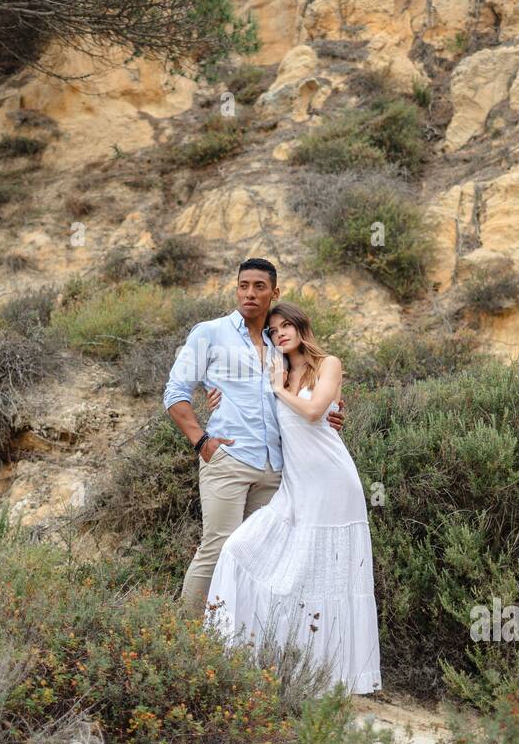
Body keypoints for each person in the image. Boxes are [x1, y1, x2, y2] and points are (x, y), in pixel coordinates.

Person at [202, 300, 381, 695]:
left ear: (302, 327)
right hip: (296, 485)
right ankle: (243, 656)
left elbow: (317, 411)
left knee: (327, 575)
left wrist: (280, 390)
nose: (279, 333)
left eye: (286, 326)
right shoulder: (275, 370)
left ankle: (333, 676)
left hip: (333, 482)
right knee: (239, 549)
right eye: (273, 330)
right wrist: (212, 400)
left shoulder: (327, 364)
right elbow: (247, 404)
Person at [162, 258, 345, 618]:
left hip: (275, 468)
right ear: (236, 289)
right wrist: (202, 442)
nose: (250, 293)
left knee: (260, 555)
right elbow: (175, 392)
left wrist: (334, 413)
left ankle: (237, 638)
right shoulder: (210, 333)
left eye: (259, 286)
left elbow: (311, 382)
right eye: (243, 285)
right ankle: (184, 637)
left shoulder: (280, 342)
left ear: (274, 293)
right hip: (229, 459)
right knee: (217, 547)